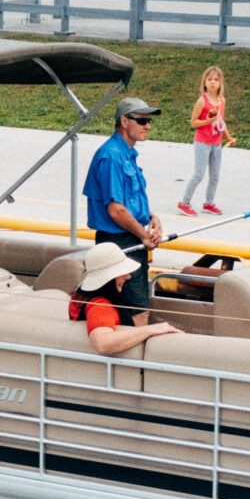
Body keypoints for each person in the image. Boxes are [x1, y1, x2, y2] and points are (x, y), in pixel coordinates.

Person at [82, 98, 163, 319]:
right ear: (125, 121)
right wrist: (144, 235)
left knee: (129, 306)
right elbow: (116, 210)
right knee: (138, 311)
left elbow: (128, 201)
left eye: (149, 120)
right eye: (142, 120)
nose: (148, 125)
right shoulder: (111, 156)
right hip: (119, 242)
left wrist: (151, 217)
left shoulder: (125, 154)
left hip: (130, 238)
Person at [69, 242, 181, 357]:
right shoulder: (100, 306)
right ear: (109, 278)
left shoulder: (85, 297)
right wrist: (152, 329)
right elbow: (102, 343)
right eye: (122, 272)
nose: (128, 276)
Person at [178, 66, 230, 217]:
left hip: (216, 143)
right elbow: (193, 123)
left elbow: (221, 121)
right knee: (199, 174)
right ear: (204, 82)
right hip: (203, 142)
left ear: (220, 83)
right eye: (210, 79)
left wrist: (228, 136)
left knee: (215, 176)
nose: (213, 83)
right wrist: (207, 121)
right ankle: (184, 203)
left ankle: (209, 203)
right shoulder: (202, 101)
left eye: (216, 80)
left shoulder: (221, 101)